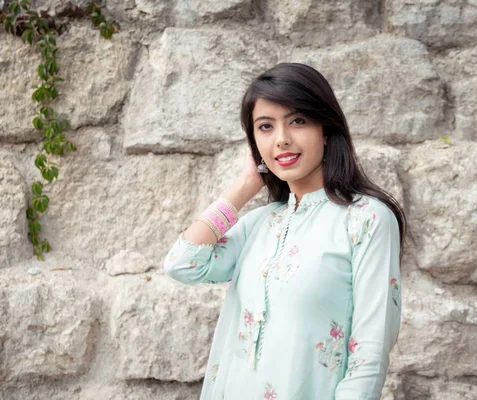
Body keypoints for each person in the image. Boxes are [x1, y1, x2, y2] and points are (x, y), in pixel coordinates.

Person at [163, 62, 407, 399]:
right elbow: (182, 263)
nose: (281, 139)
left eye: (297, 121)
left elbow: (370, 355)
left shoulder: (366, 219)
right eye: (265, 127)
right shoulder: (259, 224)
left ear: (325, 129)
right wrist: (247, 184)